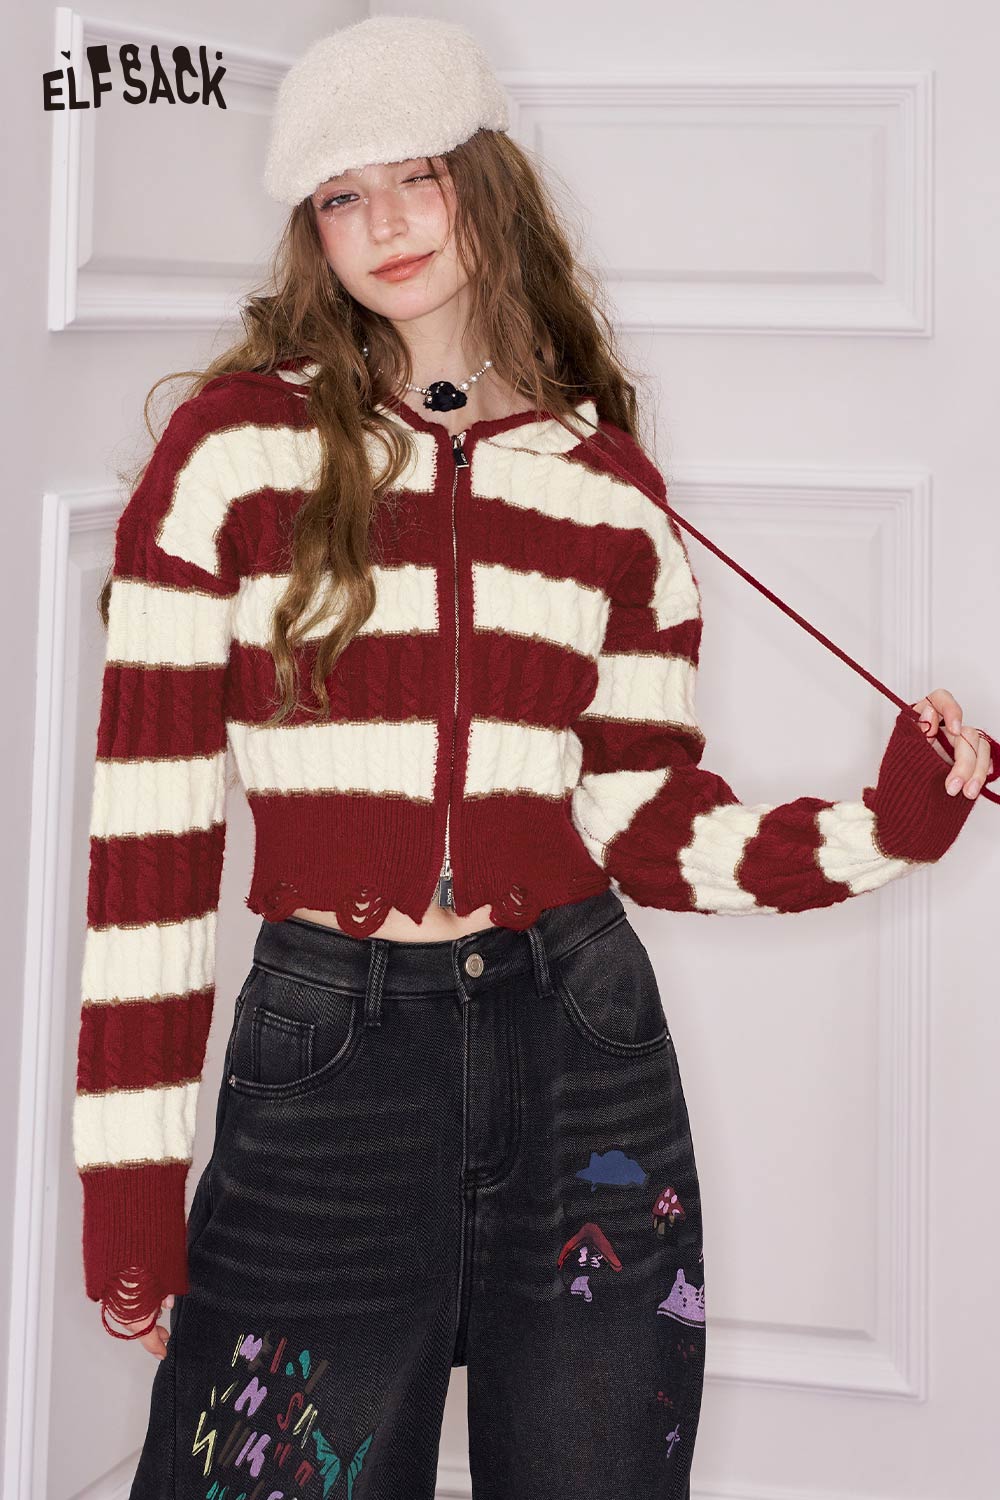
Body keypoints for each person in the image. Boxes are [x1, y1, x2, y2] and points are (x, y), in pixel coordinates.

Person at [71, 17, 992, 1500]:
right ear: (311, 228)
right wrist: (129, 1188)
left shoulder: (603, 488)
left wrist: (889, 824)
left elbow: (644, 819)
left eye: (418, 178)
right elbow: (148, 851)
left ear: (486, 183)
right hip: (329, 1057)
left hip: (582, 1049)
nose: (386, 225)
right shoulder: (229, 459)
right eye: (342, 195)